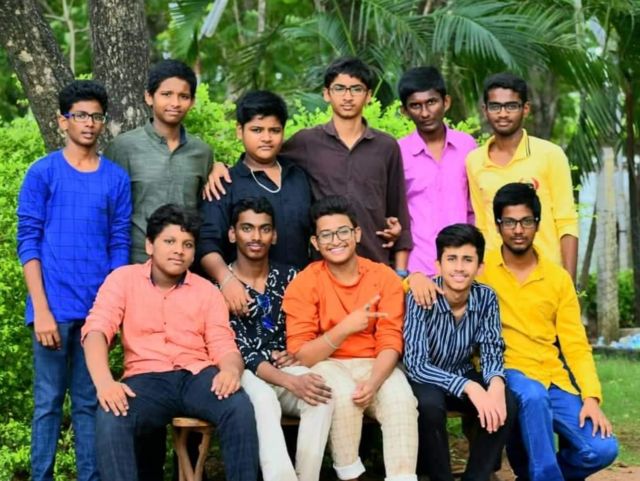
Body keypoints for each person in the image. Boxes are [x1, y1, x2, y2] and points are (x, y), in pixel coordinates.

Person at [81, 204, 259, 481]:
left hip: (196, 376)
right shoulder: (123, 280)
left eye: (187, 244)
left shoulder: (207, 291)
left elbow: (224, 344)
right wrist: (105, 383)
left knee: (238, 407)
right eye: (170, 241)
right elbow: (96, 331)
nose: (179, 250)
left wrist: (231, 371)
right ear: (149, 245)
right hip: (146, 379)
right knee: (111, 415)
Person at [16, 80, 131, 481]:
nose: (89, 123)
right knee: (47, 403)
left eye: (96, 116)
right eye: (80, 115)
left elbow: (119, 244)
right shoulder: (43, 172)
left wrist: (111, 313)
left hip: (97, 314)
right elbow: (28, 242)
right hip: (52, 310)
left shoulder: (115, 179)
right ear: (62, 120)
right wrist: (41, 310)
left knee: (88, 401)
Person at [206, 57, 412, 270]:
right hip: (323, 271)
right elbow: (262, 153)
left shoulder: (386, 146)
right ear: (326, 93)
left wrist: (400, 271)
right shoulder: (307, 142)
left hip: (376, 264)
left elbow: (398, 214)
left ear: (368, 95)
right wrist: (219, 167)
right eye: (339, 88)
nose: (347, 97)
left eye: (356, 89)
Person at [478, 183, 617, 481]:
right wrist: (416, 280)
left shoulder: (557, 278)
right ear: (498, 225)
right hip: (507, 372)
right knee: (533, 395)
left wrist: (591, 397)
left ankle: (537, 475)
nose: (518, 230)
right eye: (510, 222)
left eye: (526, 221)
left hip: (552, 376)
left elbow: (575, 345)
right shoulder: (482, 269)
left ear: (538, 224)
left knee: (602, 449)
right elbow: (444, 281)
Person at [283, 195, 418, 481]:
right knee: (343, 395)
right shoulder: (305, 283)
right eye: (326, 235)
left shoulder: (383, 277)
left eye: (343, 231)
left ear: (356, 234)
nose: (336, 240)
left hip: (376, 362)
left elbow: (391, 340)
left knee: (401, 400)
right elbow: (302, 355)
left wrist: (374, 382)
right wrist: (345, 327)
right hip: (327, 362)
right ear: (315, 242)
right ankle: (349, 476)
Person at [226, 197, 333, 481]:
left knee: (320, 395)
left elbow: (313, 325)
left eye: (264, 229)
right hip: (244, 373)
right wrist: (289, 381)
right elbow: (240, 351)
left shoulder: (293, 277)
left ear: (274, 236)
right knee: (263, 400)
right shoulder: (221, 286)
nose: (256, 237)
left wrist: (296, 350)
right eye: (247, 228)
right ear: (232, 234)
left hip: (287, 365)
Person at [403, 223, 516, 481]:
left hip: (461, 372)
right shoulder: (421, 296)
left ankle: (476, 476)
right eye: (451, 259)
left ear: (480, 267)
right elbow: (416, 364)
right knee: (429, 407)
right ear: (438, 265)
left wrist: (495, 384)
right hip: (427, 378)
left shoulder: (486, 297)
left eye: (467, 259)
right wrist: (470, 387)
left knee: (506, 401)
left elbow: (491, 348)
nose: (459, 267)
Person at [198, 90, 312, 315]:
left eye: (274, 130)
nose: (267, 138)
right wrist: (227, 280)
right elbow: (206, 242)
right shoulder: (225, 183)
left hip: (301, 297)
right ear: (239, 131)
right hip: (245, 300)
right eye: (257, 130)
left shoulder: (299, 176)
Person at [466, 72, 579, 281]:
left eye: (511, 106)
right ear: (485, 110)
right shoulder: (474, 161)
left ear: (525, 109)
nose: (503, 114)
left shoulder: (550, 155)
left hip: (546, 278)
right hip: (496, 280)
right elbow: (482, 225)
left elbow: (566, 222)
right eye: (495, 106)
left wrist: (569, 285)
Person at [105, 59, 213, 264]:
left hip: (184, 265)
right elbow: (108, 211)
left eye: (183, 96)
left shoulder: (202, 152)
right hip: (135, 263)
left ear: (192, 101)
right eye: (166, 94)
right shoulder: (123, 147)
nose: (175, 103)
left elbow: (204, 208)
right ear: (149, 97)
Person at [397, 67, 476, 278]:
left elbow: (474, 207)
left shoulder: (467, 146)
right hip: (418, 270)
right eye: (415, 105)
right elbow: (395, 214)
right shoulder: (398, 152)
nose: (425, 113)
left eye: (431, 102)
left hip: (463, 269)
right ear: (404, 111)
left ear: (446, 102)